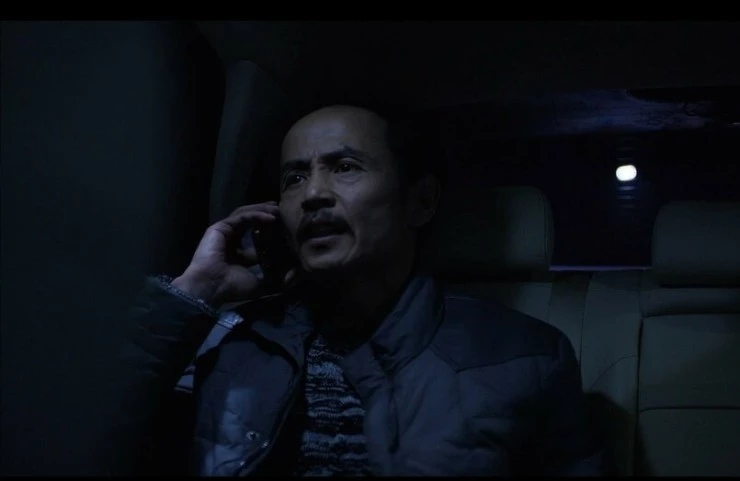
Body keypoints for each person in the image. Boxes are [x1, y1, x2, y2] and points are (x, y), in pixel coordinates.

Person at [98, 105, 604, 476]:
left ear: (420, 202)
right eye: (295, 177)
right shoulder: (229, 341)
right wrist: (198, 289)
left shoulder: (525, 355)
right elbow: (88, 434)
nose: (313, 194)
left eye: (345, 167)